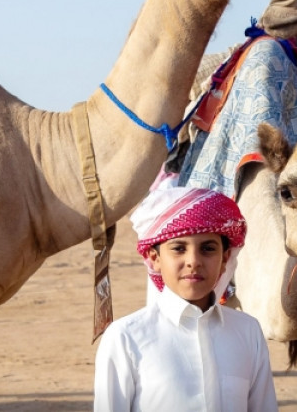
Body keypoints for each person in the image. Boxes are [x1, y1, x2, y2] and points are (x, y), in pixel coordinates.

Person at [94, 172, 277, 412]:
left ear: (224, 259)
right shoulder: (126, 338)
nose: (193, 261)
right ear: (155, 258)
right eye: (179, 248)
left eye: (208, 249)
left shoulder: (248, 332)